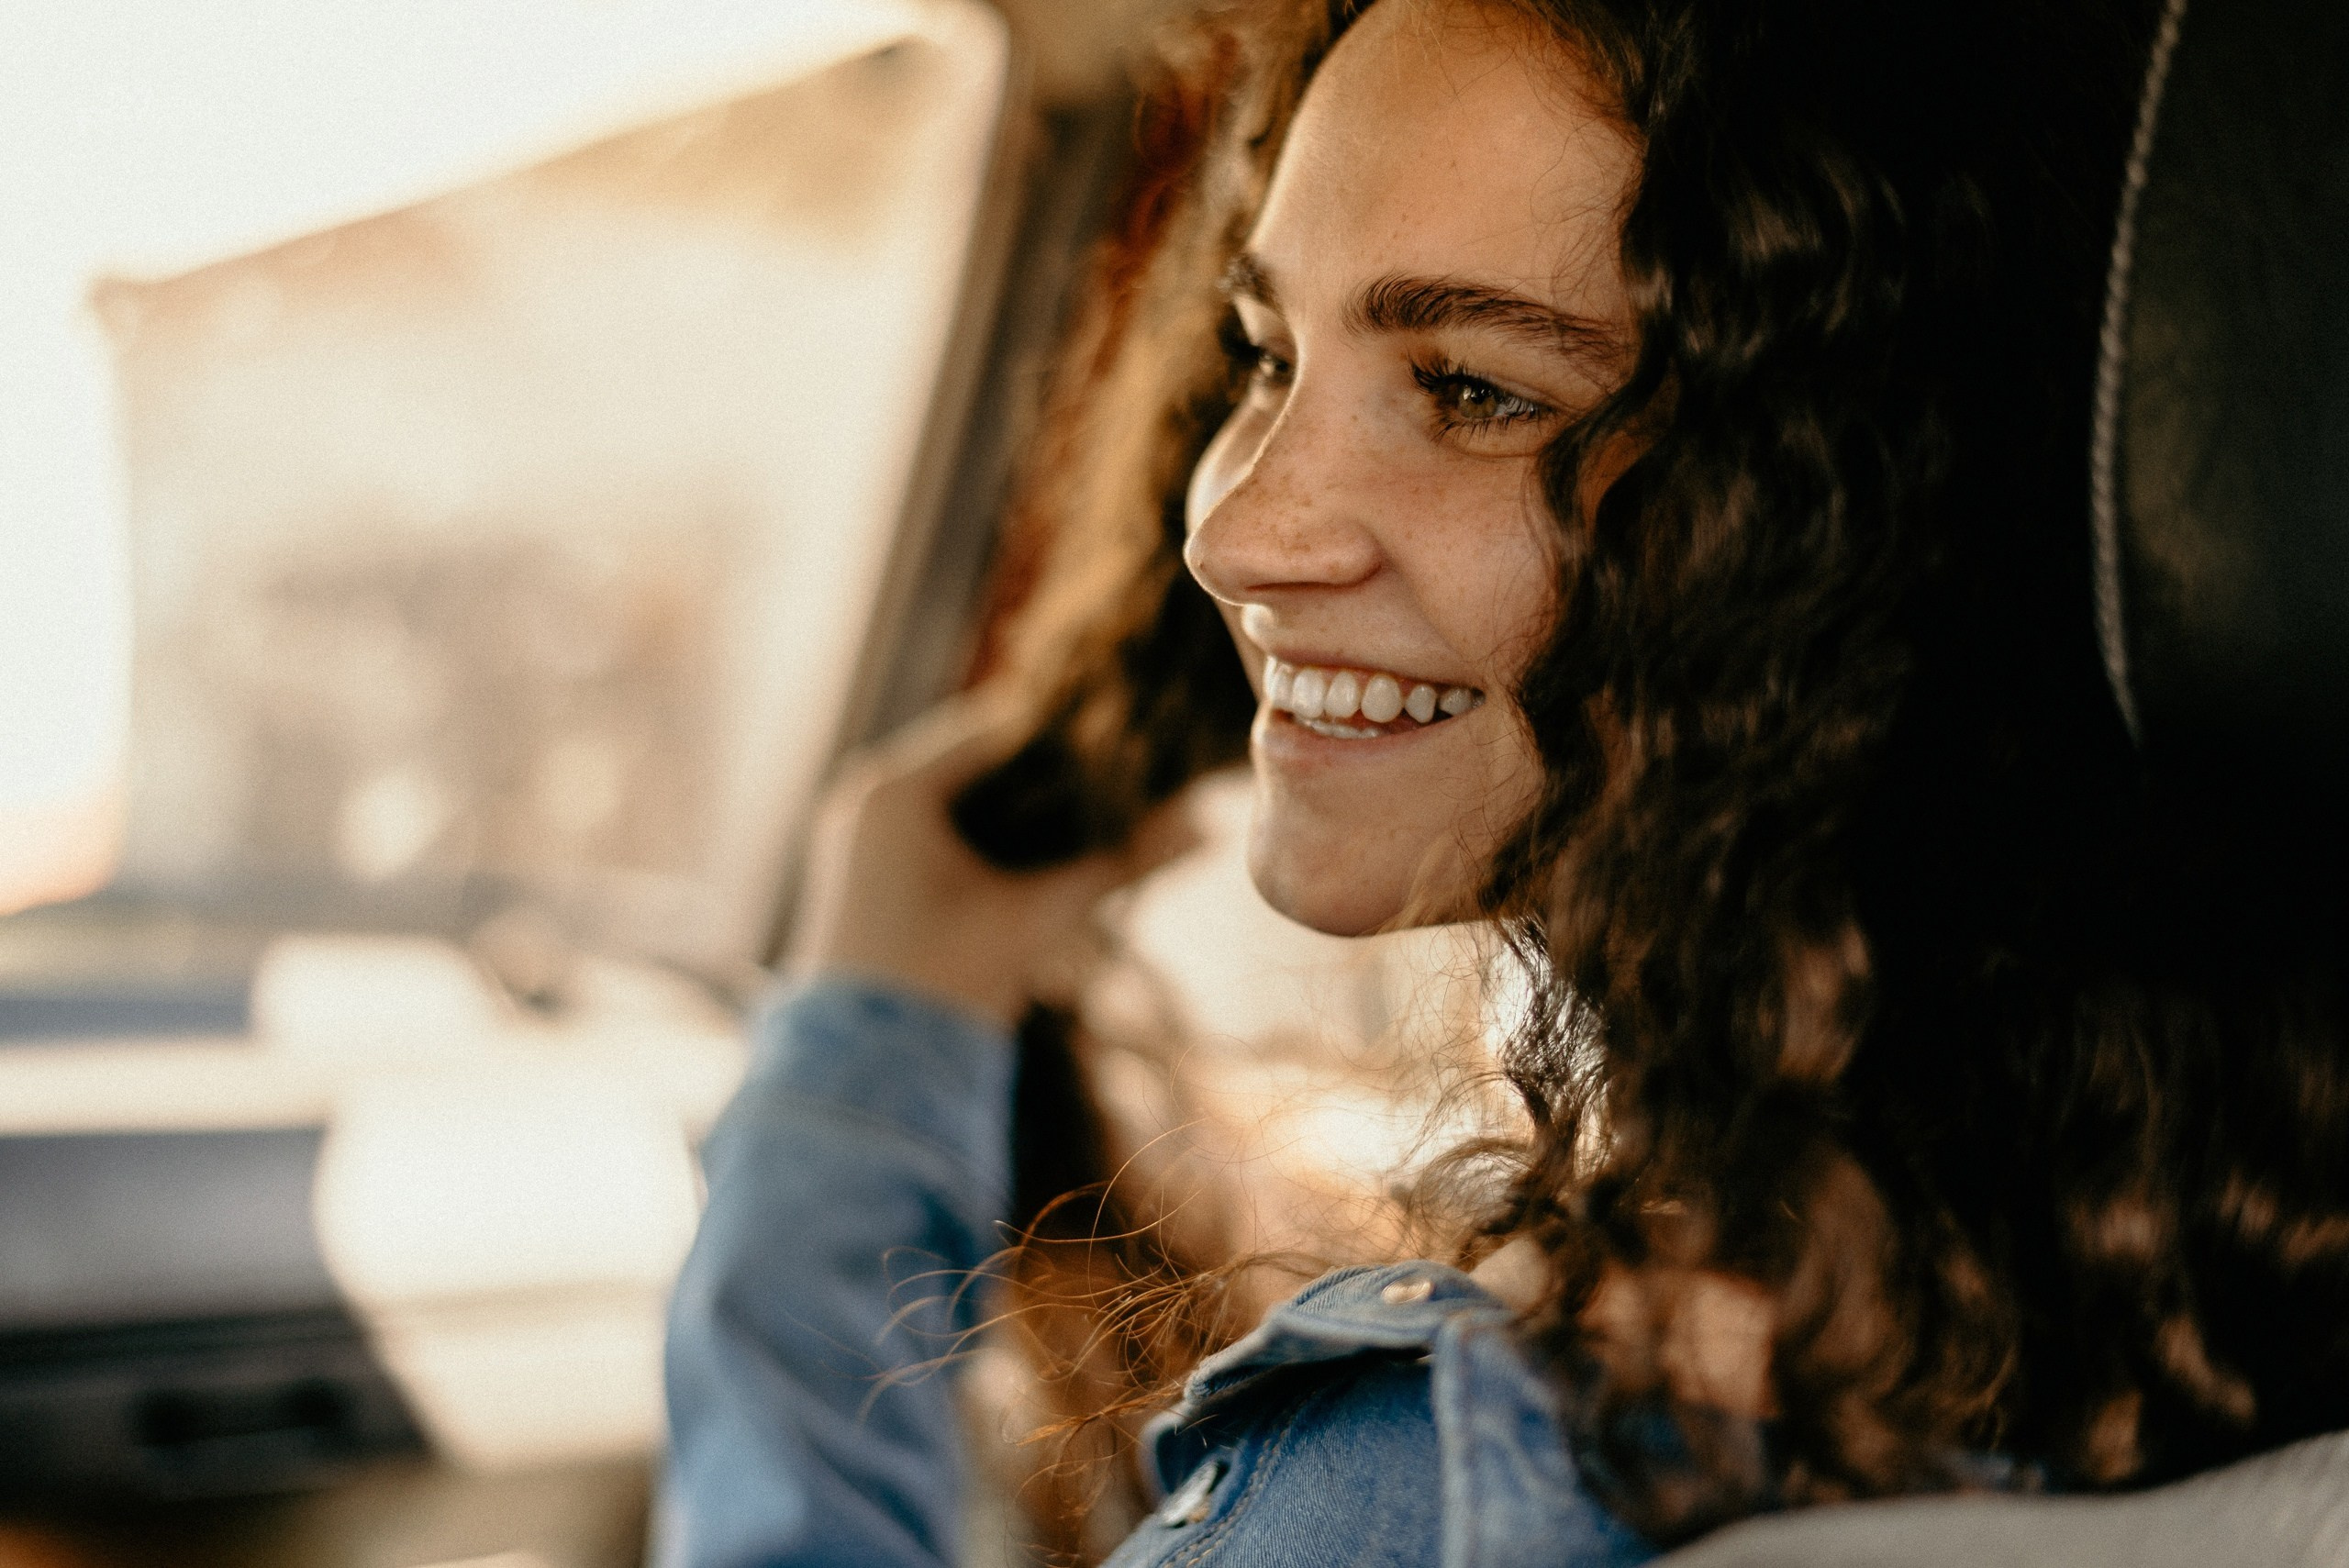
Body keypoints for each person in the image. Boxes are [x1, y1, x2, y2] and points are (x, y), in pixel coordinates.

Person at [657, 0, 2349, 1562]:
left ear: (1866, 517)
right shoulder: (2191, 1302)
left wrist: (863, 1057)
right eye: (1264, 358)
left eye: (1471, 390)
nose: (1234, 530)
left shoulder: (1455, 1481)